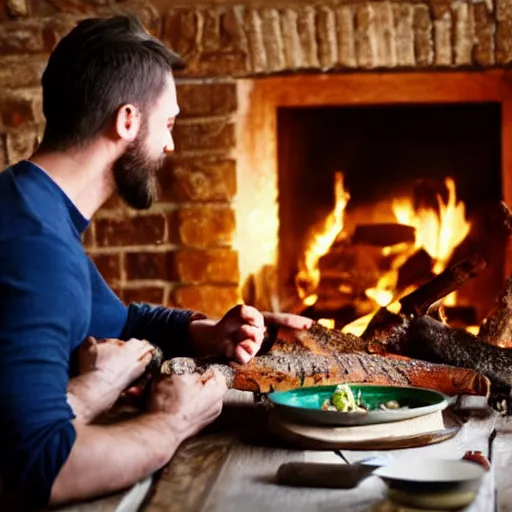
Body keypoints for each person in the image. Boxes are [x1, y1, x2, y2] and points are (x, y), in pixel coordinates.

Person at [0, 13, 312, 511]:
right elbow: (39, 465)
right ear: (127, 121)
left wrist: (204, 331)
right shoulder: (39, 249)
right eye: (167, 124)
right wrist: (174, 422)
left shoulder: (26, 204)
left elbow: (120, 320)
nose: (170, 143)